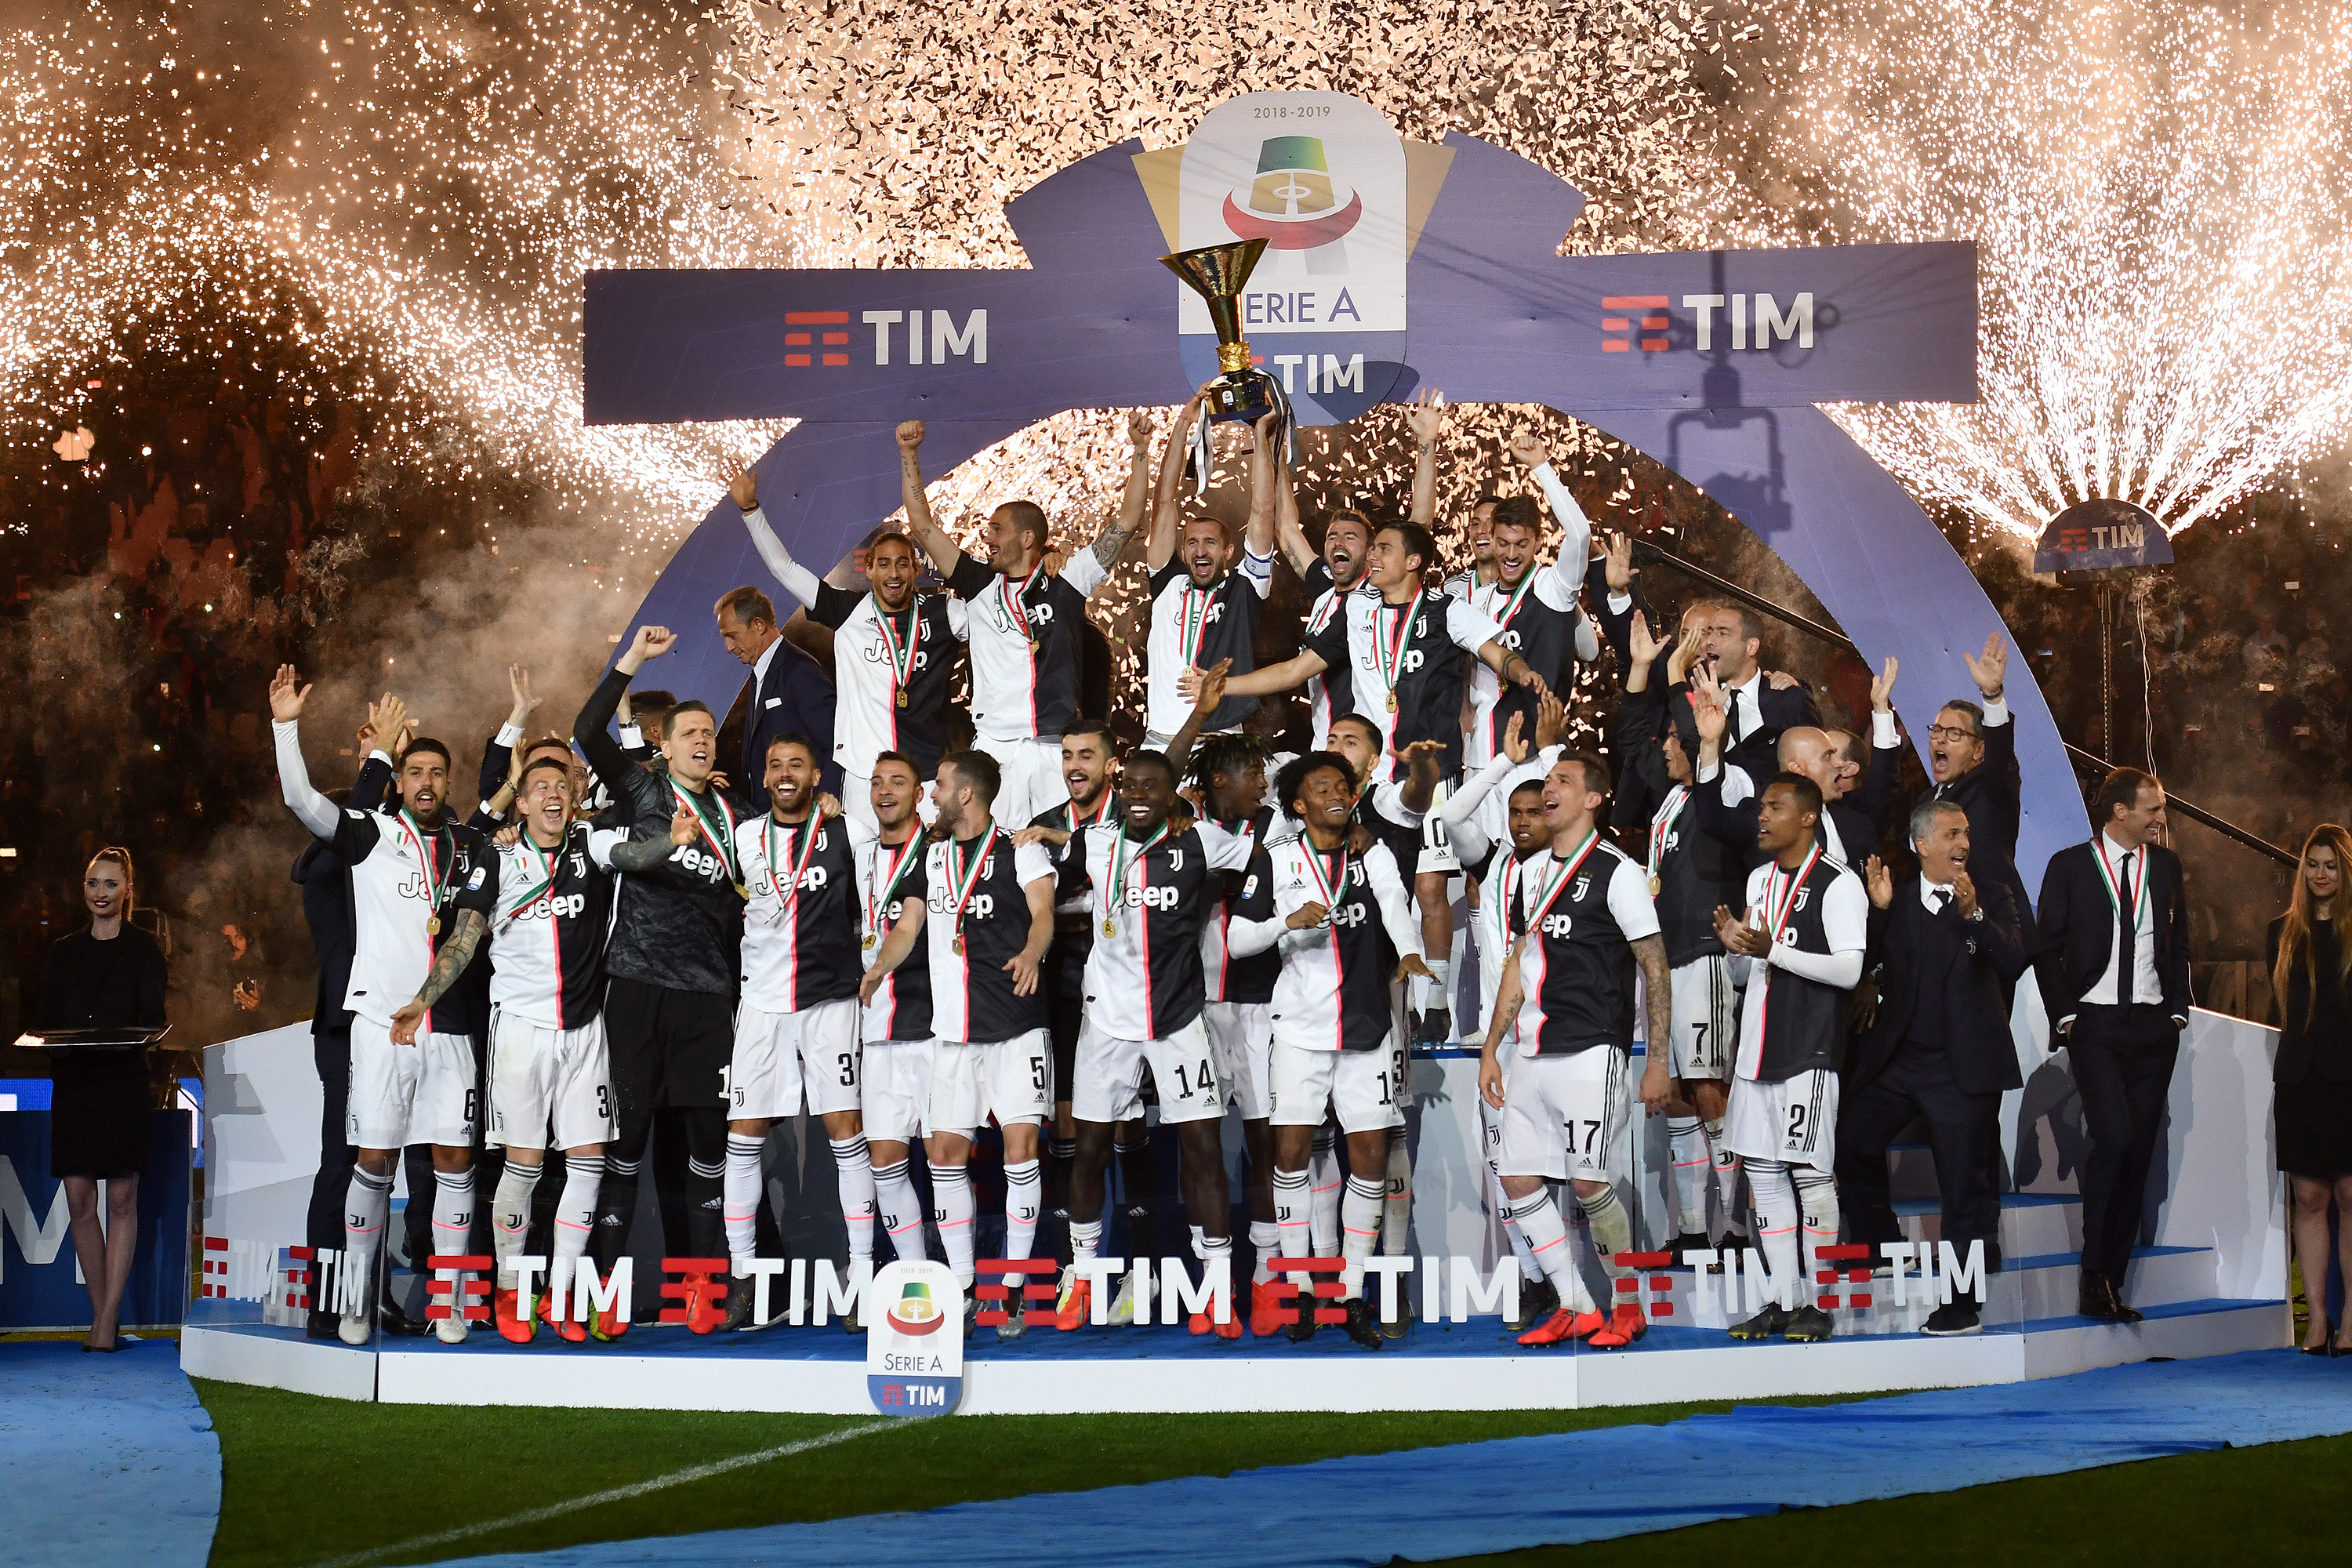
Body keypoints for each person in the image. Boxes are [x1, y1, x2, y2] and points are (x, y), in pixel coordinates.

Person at [271, 667, 491, 1346]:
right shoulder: (371, 836)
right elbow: (301, 800)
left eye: (437, 773)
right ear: (398, 780)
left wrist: (426, 1000)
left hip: (449, 1027)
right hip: (379, 1026)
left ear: (448, 784)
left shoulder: (473, 847)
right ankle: (358, 1301)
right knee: (373, 1161)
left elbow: (469, 933)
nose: (426, 781)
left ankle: (448, 1303)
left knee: (454, 1161)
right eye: (414, 771)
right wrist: (286, 727)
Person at [390, 756, 631, 1345]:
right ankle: (509, 1290)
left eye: (561, 785)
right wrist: (422, 1000)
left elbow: (639, 847)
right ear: (520, 804)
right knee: (524, 1165)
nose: (553, 793)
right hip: (520, 1029)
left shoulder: (591, 844)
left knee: (589, 1162)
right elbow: (465, 937)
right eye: (539, 786)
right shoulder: (496, 856)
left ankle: (561, 1294)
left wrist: (669, 837)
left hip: (585, 1030)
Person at [572, 626, 750, 1338]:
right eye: (690, 734)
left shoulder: (738, 818)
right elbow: (589, 730)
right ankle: (605, 1294)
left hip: (707, 998)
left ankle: (700, 1292)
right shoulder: (642, 789)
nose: (702, 741)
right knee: (628, 1143)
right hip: (637, 987)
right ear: (665, 746)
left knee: (709, 1145)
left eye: (709, 734)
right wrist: (633, 661)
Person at [1039, 751, 1254, 1336]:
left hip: (1177, 1020)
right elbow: (1036, 864)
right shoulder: (1094, 843)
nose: (1138, 795)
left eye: (1151, 788)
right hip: (1106, 1023)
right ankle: (1083, 1277)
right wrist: (1034, 838)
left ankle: (1217, 1288)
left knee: (1203, 1150)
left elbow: (1263, 854)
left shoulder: (1201, 840)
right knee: (1088, 1148)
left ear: (1171, 795)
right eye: (1129, 786)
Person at [1225, 752, 1434, 1350]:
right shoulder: (1276, 859)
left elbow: (1393, 903)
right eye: (1322, 789)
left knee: (1368, 1158)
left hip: (1367, 1028)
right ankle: (1299, 1290)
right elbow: (1236, 941)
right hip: (1299, 1031)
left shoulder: (1372, 852)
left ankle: (1350, 1294)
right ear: (1299, 804)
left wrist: (1410, 951)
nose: (1337, 795)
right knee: (1290, 1156)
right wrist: (1284, 923)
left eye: (1343, 786)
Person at [1477, 750, 1671, 1351]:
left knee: (1588, 1185)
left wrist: (1657, 1060)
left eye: (1564, 780)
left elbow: (1655, 967)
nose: (1549, 787)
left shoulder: (1619, 871)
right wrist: (1491, 1049)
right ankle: (1577, 1305)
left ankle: (1629, 1307)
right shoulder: (1530, 873)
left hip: (1592, 1052)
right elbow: (1519, 963)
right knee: (1516, 1180)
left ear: (1592, 799)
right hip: (1531, 1053)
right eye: (1548, 779)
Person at [858, 749, 1058, 1328]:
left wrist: (1032, 952)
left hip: (1017, 1027)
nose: (932, 794)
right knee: (944, 1154)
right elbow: (909, 924)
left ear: (965, 793)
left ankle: (1013, 1285)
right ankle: (965, 1286)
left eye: (940, 785)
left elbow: (1043, 913)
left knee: (1020, 1150)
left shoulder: (1020, 848)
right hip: (953, 1034)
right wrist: (881, 966)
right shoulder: (933, 854)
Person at [895, 417, 1146, 825]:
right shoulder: (977, 583)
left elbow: (1128, 520)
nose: (987, 537)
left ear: (1027, 539)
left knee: (1060, 847)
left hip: (1052, 748)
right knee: (990, 849)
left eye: (997, 529)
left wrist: (1139, 449)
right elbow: (922, 526)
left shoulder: (1066, 578)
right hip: (994, 749)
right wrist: (909, 454)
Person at [1841, 800, 2028, 1337]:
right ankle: (1882, 1244)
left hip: (1962, 1068)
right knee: (1850, 1139)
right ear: (1921, 845)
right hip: (1901, 1061)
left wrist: (1975, 917)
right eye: (1951, 834)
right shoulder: (1897, 901)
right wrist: (1878, 912)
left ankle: (1961, 1305)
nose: (1963, 844)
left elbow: (2015, 960)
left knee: (1963, 1189)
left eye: (1965, 833)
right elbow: (1866, 963)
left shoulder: (1992, 895)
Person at [719, 733, 873, 1332]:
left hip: (830, 1001)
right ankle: (742, 1274)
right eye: (776, 765)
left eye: (797, 766)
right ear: (764, 777)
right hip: (762, 1005)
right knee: (744, 1135)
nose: (785, 774)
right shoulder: (743, 838)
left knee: (846, 1132)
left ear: (816, 777)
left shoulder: (846, 832)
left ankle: (861, 1276)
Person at [2033, 766, 2191, 1323]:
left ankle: (2111, 1282)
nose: (2161, 817)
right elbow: (2045, 948)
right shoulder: (2071, 865)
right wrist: (2067, 1017)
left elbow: (2179, 940)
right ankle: (2093, 1271)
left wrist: (2177, 1010)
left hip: (2153, 1027)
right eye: (2153, 808)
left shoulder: (2166, 866)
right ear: (2120, 811)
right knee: (2116, 1140)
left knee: (2138, 1151)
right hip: (2095, 1025)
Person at [1713, 774, 1868, 1342]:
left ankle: (1819, 1305)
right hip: (1756, 1051)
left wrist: (1773, 949)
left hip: (1808, 1050)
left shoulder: (1839, 883)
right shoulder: (1759, 879)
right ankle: (1783, 1299)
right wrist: (1736, 948)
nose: (1761, 815)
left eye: (1774, 807)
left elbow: (1849, 970)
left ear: (1807, 817)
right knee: (1764, 1175)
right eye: (1761, 806)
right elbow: (1747, 973)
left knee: (1810, 1175)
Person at [1614, 613, 1748, 1256]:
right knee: (1674, 1096)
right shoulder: (1670, 797)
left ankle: (1737, 1229)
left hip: (1705, 955)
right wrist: (1643, 671)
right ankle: (1693, 1230)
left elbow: (1695, 738)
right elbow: (1632, 738)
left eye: (1676, 737)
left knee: (1708, 1088)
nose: (1666, 746)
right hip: (1665, 963)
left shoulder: (1729, 787)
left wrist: (1677, 682)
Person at [732, 465, 969, 825]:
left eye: (902, 564)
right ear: (869, 570)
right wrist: (751, 511)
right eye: (884, 564)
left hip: (924, 774)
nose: (894, 574)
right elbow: (785, 568)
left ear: (916, 570)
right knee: (864, 860)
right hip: (863, 775)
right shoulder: (846, 610)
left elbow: (998, 611)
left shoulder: (946, 614)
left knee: (928, 858)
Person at [1436, 706, 1565, 1328]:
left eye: (1535, 811)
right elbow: (1451, 817)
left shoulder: (1572, 867)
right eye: (1515, 813)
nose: (1522, 822)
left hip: (1559, 1039)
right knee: (1503, 1166)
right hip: (1502, 1044)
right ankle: (1537, 1280)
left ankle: (1570, 1282)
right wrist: (1505, 764)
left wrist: (1548, 757)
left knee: (1561, 1168)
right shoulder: (1491, 864)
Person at [290, 702, 396, 1339]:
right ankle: (326, 1305)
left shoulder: (360, 871)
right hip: (344, 1029)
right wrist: (374, 763)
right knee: (343, 1165)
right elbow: (354, 824)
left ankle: (367, 1295)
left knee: (375, 1168)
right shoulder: (326, 870)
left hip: (379, 1025)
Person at [41, 848, 167, 1352]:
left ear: (127, 890)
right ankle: (102, 1314)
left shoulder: (144, 949)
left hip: (122, 1085)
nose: (100, 893)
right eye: (93, 883)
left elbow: (153, 1019)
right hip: (76, 1086)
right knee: (78, 1198)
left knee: (121, 1198)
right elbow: (49, 1019)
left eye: (110, 884)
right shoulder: (63, 951)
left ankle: (106, 1320)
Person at [1138, 397, 1276, 748]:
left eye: (1210, 543)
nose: (1200, 550)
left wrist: (1260, 435)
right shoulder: (1167, 582)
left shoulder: (1244, 590)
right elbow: (1164, 502)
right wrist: (1183, 425)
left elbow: (1263, 512)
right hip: (1161, 741)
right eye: (1193, 543)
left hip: (1220, 743)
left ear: (1228, 551)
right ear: (1183, 551)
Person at [2269, 824, 2352, 1355]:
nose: (2321, 875)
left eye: (2331, 866)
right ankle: (2317, 1322)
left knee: (2350, 1195)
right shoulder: (2281, 933)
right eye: (2313, 865)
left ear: (2346, 872)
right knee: (2310, 1198)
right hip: (2300, 1081)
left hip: (2349, 1081)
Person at [851, 753, 937, 1272]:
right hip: (877, 1027)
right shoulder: (858, 854)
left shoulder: (939, 853)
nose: (885, 791)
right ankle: (915, 1277)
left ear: (919, 794)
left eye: (898, 782)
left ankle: (963, 1282)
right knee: (884, 1163)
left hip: (933, 1027)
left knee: (946, 1159)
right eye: (877, 782)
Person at [1919, 633, 2029, 928]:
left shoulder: (1990, 789)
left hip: (1992, 925)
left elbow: (2001, 761)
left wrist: (1992, 697)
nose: (1940, 739)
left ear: (1980, 750)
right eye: (1937, 730)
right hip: (1939, 928)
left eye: (1955, 733)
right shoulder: (1925, 801)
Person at [716, 583, 840, 805]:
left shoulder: (799, 670)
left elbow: (835, 743)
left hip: (803, 813)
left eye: (732, 636)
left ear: (758, 625)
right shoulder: (761, 673)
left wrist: (825, 802)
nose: (728, 647)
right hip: (773, 813)